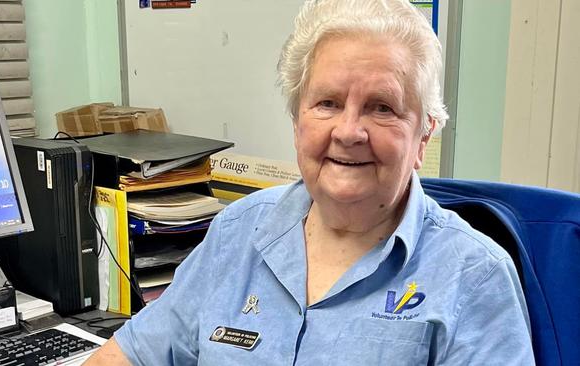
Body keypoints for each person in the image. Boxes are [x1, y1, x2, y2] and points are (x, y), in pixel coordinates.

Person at [85, 0, 535, 364]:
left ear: (422, 137)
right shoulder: (238, 231)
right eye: (327, 102)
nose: (348, 132)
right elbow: (132, 354)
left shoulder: (475, 277)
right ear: (297, 120)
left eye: (382, 107)